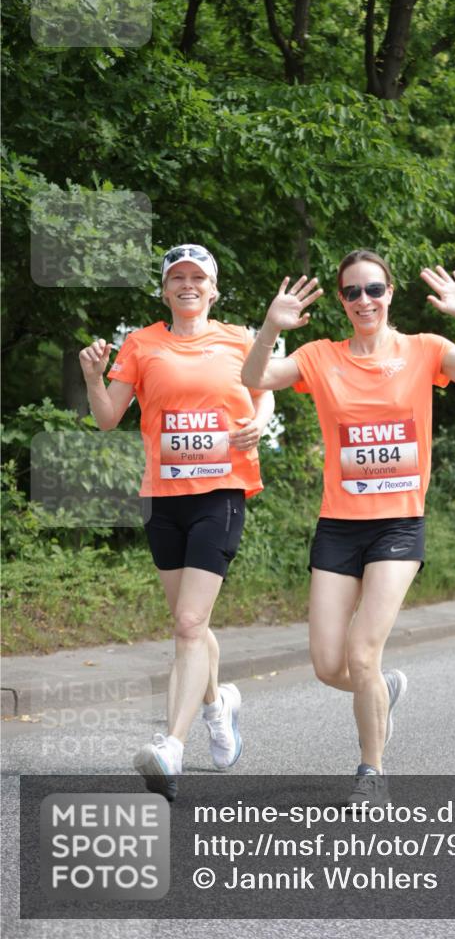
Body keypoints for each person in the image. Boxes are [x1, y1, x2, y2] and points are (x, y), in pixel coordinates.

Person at [241, 250, 455, 804]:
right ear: (342, 301)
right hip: (338, 525)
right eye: (353, 292)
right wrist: (271, 324)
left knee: (363, 651)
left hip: (398, 525)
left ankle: (371, 772)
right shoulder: (320, 357)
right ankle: (382, 691)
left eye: (374, 289)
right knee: (326, 665)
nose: (365, 300)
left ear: (390, 294)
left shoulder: (424, 351)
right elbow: (255, 376)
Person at [79, 244, 274, 800]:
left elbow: (264, 398)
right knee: (193, 624)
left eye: (198, 278)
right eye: (177, 278)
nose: (188, 285)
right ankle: (218, 704)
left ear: (213, 290)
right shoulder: (142, 344)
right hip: (163, 498)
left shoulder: (240, 338)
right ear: (165, 290)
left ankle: (171, 745)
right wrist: (94, 378)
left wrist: (257, 424)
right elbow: (108, 419)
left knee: (189, 625)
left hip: (222, 492)